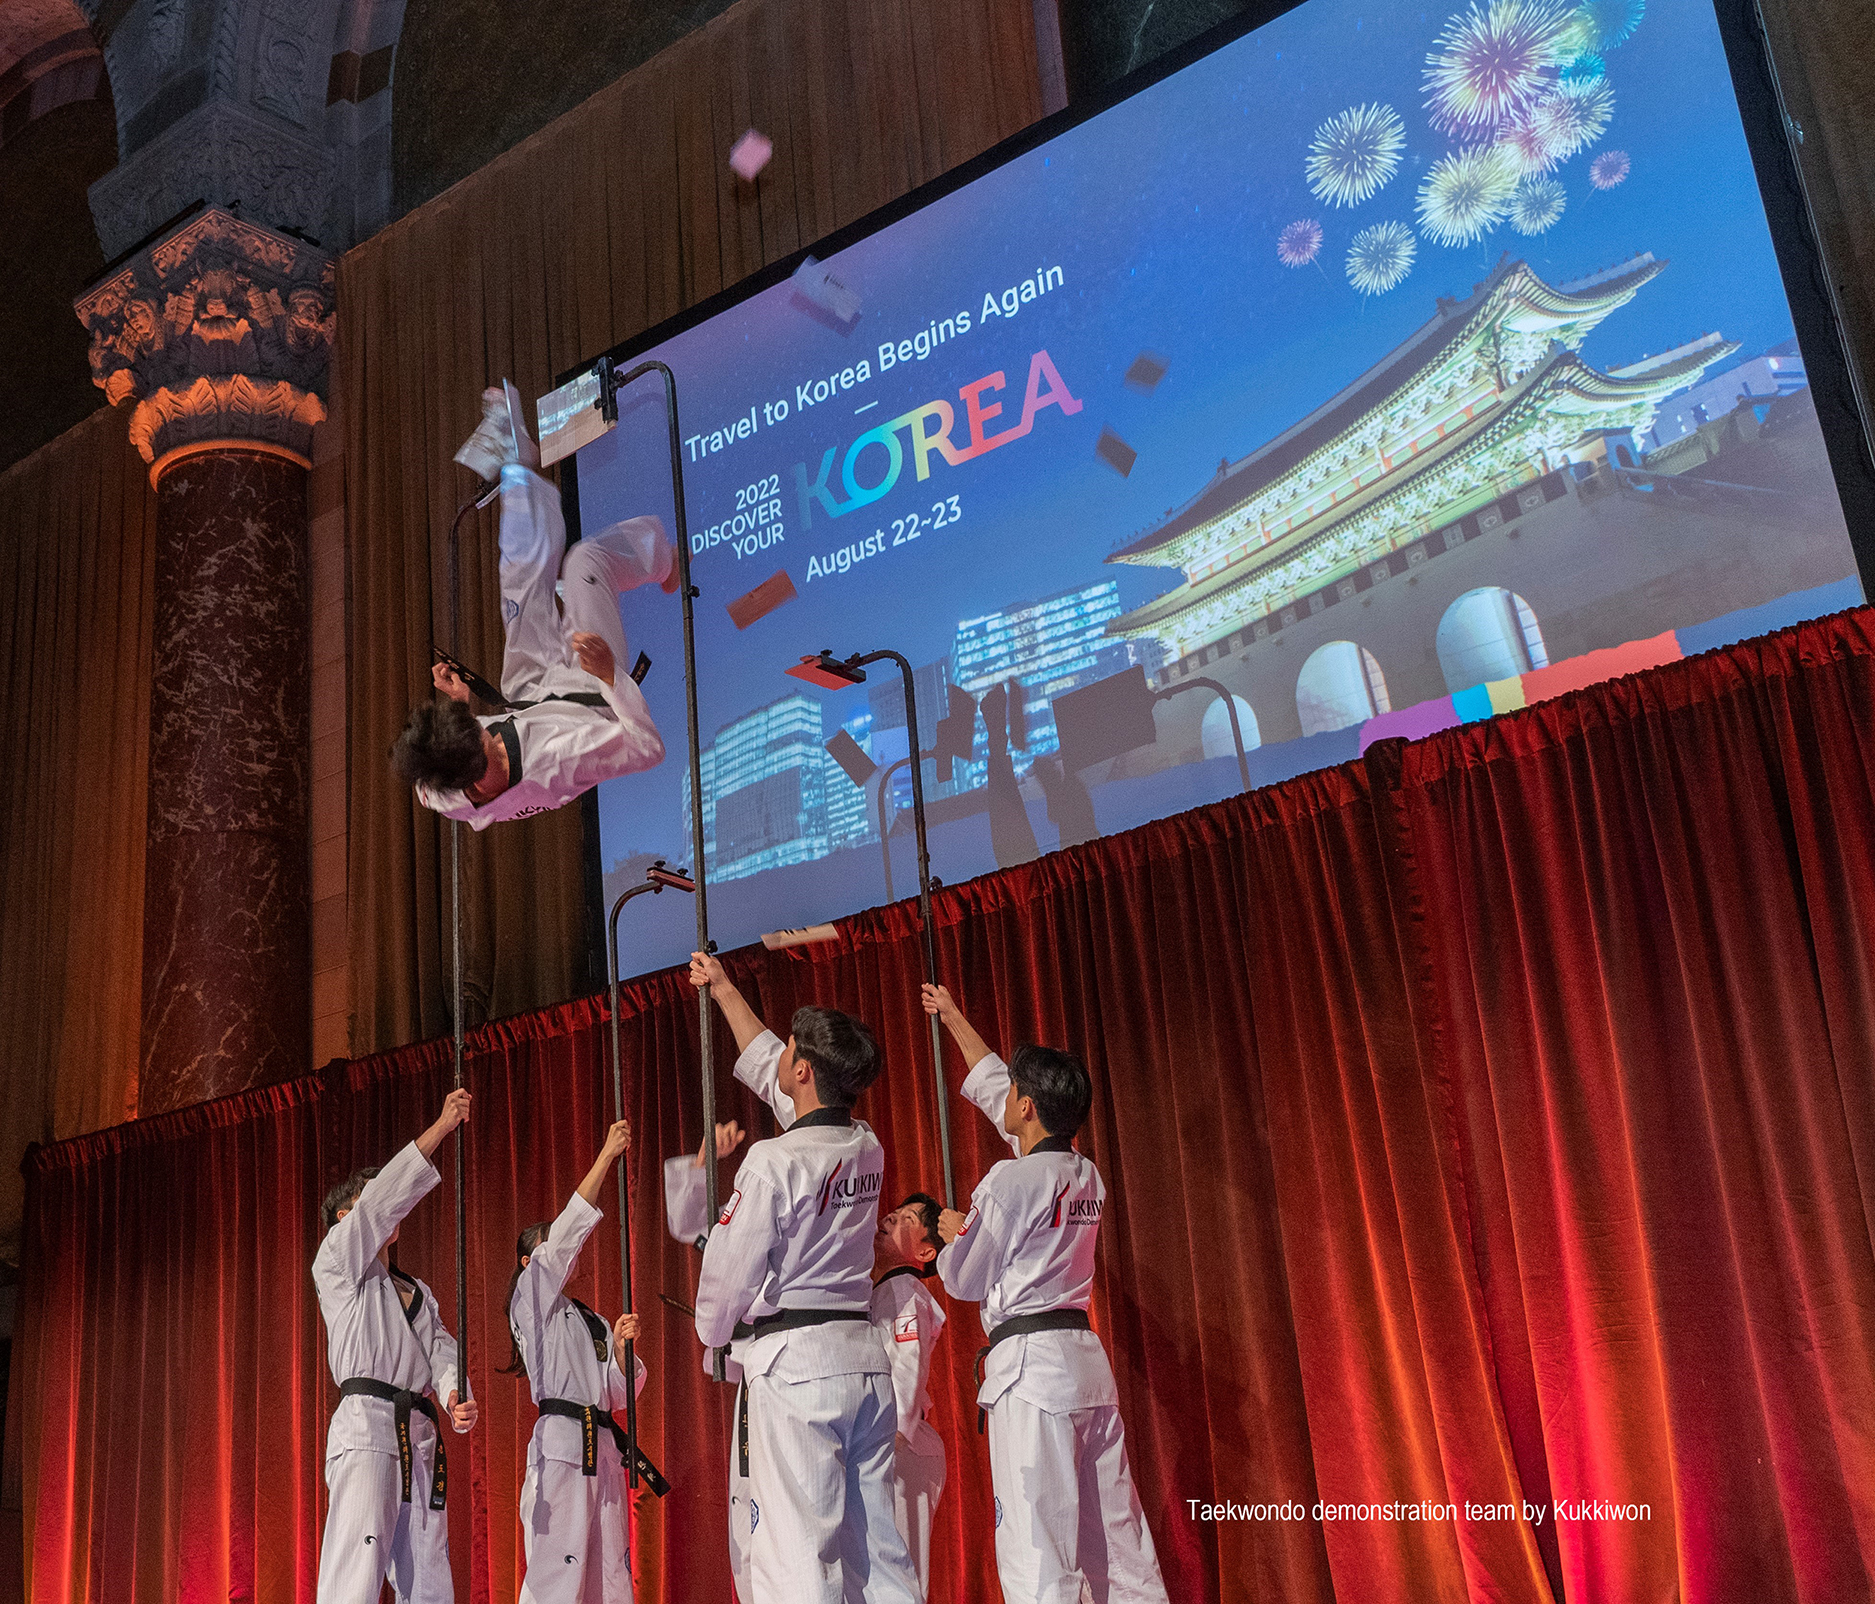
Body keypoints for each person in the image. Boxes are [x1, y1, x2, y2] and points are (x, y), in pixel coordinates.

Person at [922, 984, 1170, 1604]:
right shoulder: (1083, 1173)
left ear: (1027, 1107)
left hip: (1030, 1376)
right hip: (1083, 1365)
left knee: (1038, 1546)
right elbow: (995, 1087)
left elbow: (962, 1279)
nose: (1002, 1096)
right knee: (1116, 1539)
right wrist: (953, 1016)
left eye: (1013, 1093)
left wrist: (956, 1234)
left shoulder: (1012, 1179)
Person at [688, 951, 921, 1604]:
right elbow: (784, 1084)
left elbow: (726, 1276)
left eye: (788, 1052)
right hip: (861, 1364)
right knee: (878, 1553)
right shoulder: (865, 1143)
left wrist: (711, 1331)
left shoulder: (772, 1162)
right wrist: (726, 993)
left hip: (797, 1373)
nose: (780, 1061)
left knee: (796, 1557)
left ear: (803, 1071)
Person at [390, 384, 672, 827]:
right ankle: (667, 562)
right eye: (484, 738)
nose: (488, 735)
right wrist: (610, 675)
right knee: (583, 561)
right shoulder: (563, 760)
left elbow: (424, 786)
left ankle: (515, 466)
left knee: (518, 587)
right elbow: (648, 750)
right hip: (588, 696)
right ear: (481, 779)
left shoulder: (440, 791)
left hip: (528, 696)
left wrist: (463, 704)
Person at [313, 1090, 480, 1604]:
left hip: (418, 1434)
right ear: (346, 1218)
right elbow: (380, 1203)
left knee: (429, 1578)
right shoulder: (337, 1264)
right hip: (366, 1430)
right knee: (355, 1572)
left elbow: (441, 1349)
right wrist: (440, 1128)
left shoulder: (415, 1291)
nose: (385, 1209)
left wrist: (453, 1394)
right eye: (369, 1200)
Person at [502, 1117, 648, 1604]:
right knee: (557, 1575)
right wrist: (605, 1157)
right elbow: (566, 1236)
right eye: (549, 1247)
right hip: (562, 1447)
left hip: (602, 1448)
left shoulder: (591, 1321)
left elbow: (616, 1394)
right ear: (530, 1263)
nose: (564, 1254)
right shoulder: (532, 1300)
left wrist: (625, 1355)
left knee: (609, 1574)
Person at [663, 1120, 758, 1603]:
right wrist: (703, 1164)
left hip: (790, 1369)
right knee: (747, 1506)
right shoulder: (739, 1227)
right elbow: (689, 1224)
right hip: (754, 1377)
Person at [863, 1194, 949, 1603]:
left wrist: (894, 1438)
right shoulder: (880, 1291)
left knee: (901, 1575)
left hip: (902, 1450)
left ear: (925, 1251)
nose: (891, 1215)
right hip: (882, 1448)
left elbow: (908, 1367)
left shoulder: (904, 1290)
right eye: (896, 1210)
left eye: (908, 1218)